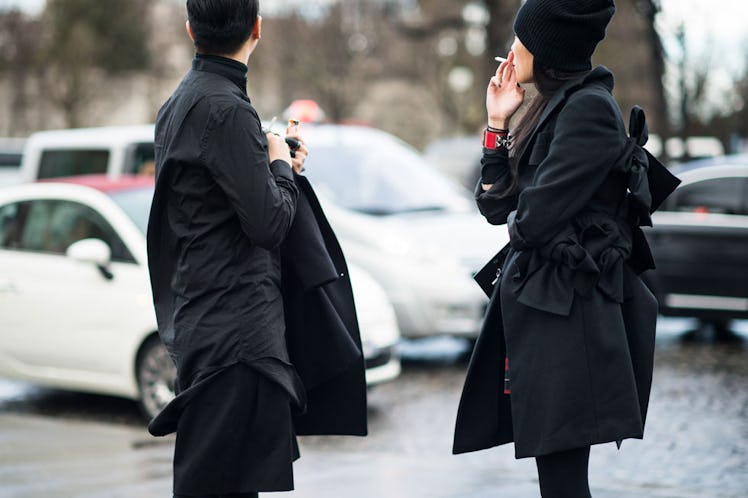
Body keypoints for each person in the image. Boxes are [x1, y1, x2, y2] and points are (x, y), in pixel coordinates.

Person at [452, 1, 679, 497]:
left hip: (571, 321)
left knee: (562, 479)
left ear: (548, 46)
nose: (512, 50)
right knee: (555, 476)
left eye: (521, 39)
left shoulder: (589, 110)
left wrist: (520, 219)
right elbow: (497, 208)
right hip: (548, 312)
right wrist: (497, 123)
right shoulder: (553, 105)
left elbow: (530, 222)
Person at [146, 1, 367, 497]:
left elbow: (217, 208)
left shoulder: (180, 102)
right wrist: (280, 167)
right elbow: (268, 224)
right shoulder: (225, 108)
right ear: (258, 28)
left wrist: (278, 166)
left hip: (207, 321)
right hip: (237, 337)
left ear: (190, 29)